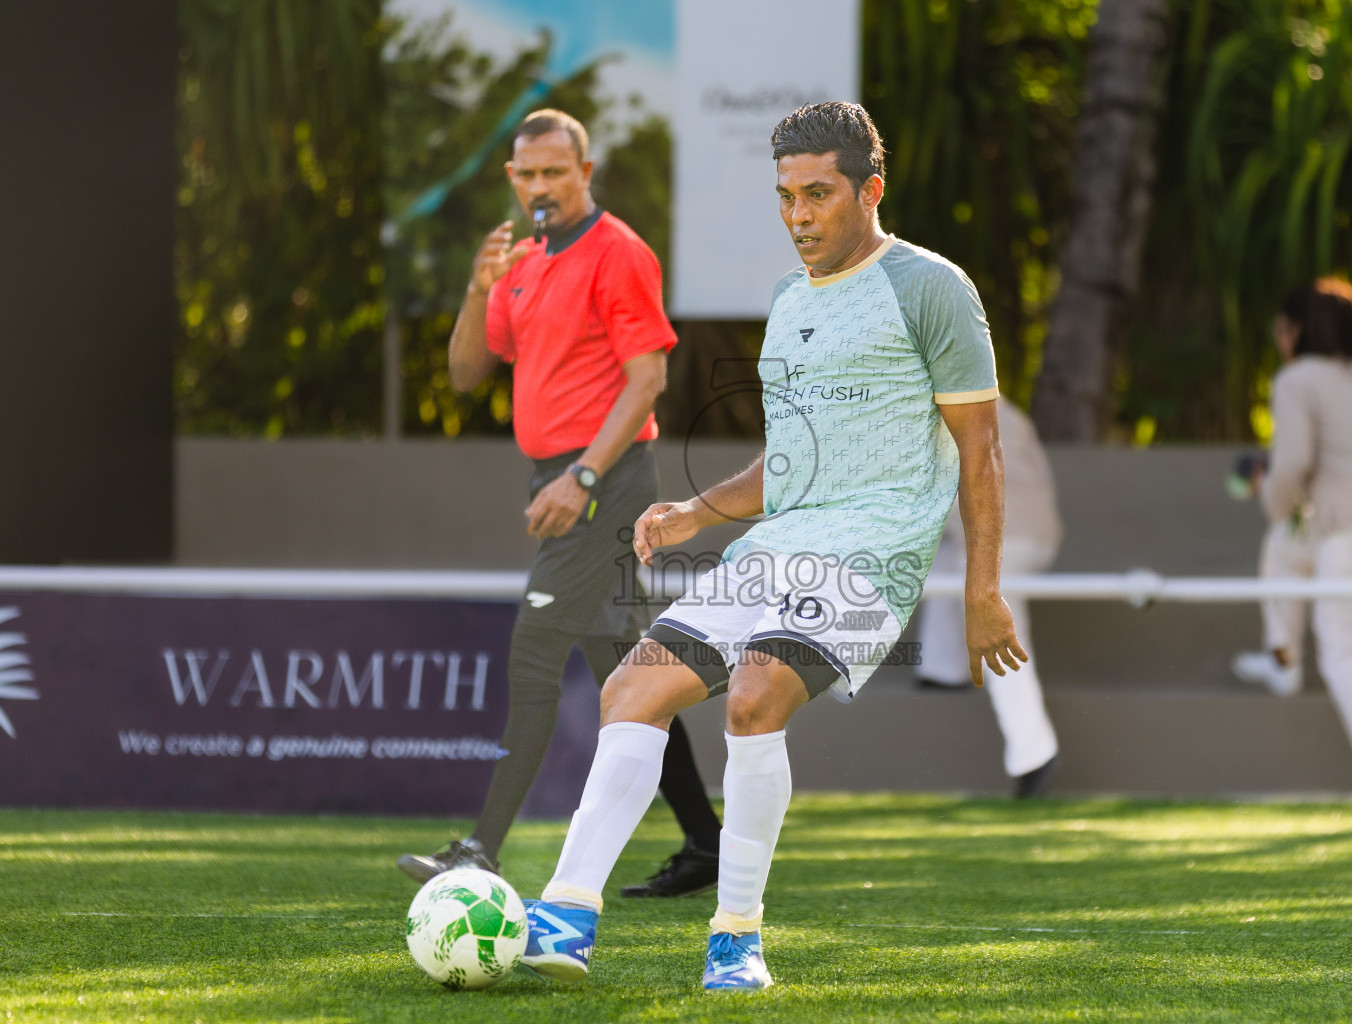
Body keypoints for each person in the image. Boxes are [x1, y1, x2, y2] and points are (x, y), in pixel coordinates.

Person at [510, 101, 1026, 991]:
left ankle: (735, 935)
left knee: (753, 696)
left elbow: (980, 450)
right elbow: (791, 461)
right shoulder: (789, 302)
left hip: (873, 559)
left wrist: (982, 591)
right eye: (785, 196)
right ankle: (564, 915)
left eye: (817, 194)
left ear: (870, 189)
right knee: (633, 687)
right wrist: (697, 514)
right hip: (777, 548)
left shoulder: (933, 287)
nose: (797, 216)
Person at [396, 109, 723, 897]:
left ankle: (481, 850)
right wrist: (478, 291)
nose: (540, 186)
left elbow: (648, 379)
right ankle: (708, 846)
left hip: (603, 484)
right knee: (633, 678)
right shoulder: (525, 258)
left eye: (554, 171)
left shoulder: (619, 252)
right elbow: (469, 372)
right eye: (527, 174)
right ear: (513, 179)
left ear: (585, 170)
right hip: (559, 480)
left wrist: (580, 479)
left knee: (533, 654)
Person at [1231, 279, 1352, 803]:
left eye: (1280, 329)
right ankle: (1282, 658)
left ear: (1296, 330)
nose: (1278, 339)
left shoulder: (1297, 379)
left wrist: (1270, 496)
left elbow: (1293, 463)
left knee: (1343, 650)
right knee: (1286, 547)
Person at [916, 396, 1061, 795]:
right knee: (949, 560)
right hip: (1038, 535)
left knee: (1000, 635)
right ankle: (943, 670)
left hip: (1002, 539)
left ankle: (1035, 755)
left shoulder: (934, 408)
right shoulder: (1009, 408)